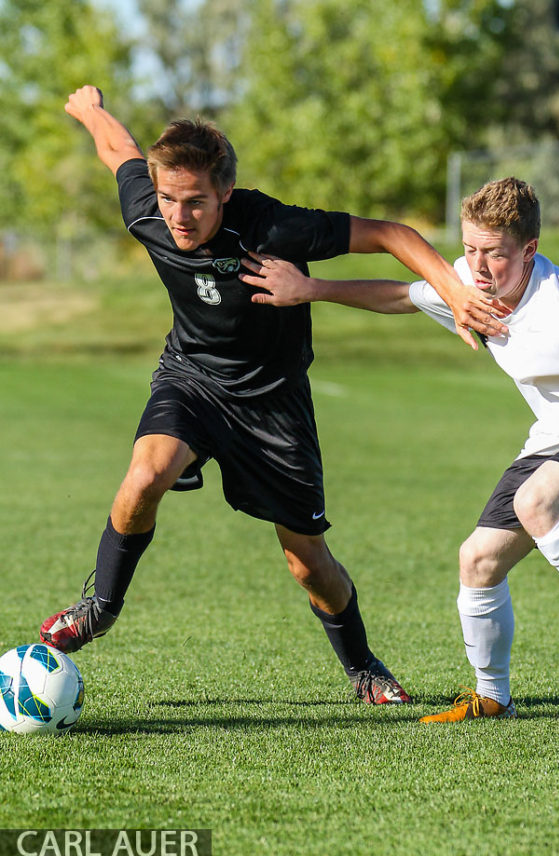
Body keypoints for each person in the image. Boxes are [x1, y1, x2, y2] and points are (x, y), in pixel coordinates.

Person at [40, 84, 507, 707]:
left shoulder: (275, 227)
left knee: (307, 561)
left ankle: (362, 664)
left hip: (274, 402)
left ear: (226, 193)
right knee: (145, 474)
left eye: (196, 203)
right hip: (193, 377)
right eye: (168, 199)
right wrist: (89, 110)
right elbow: (117, 148)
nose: (178, 216)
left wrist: (453, 291)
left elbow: (391, 233)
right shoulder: (147, 210)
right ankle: (100, 606)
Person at [240, 176, 559, 721]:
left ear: (530, 250)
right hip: (555, 439)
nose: (476, 266)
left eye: (493, 254)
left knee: (536, 502)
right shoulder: (468, 290)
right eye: (469, 248)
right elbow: (402, 295)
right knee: (477, 561)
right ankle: (494, 699)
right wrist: (312, 289)